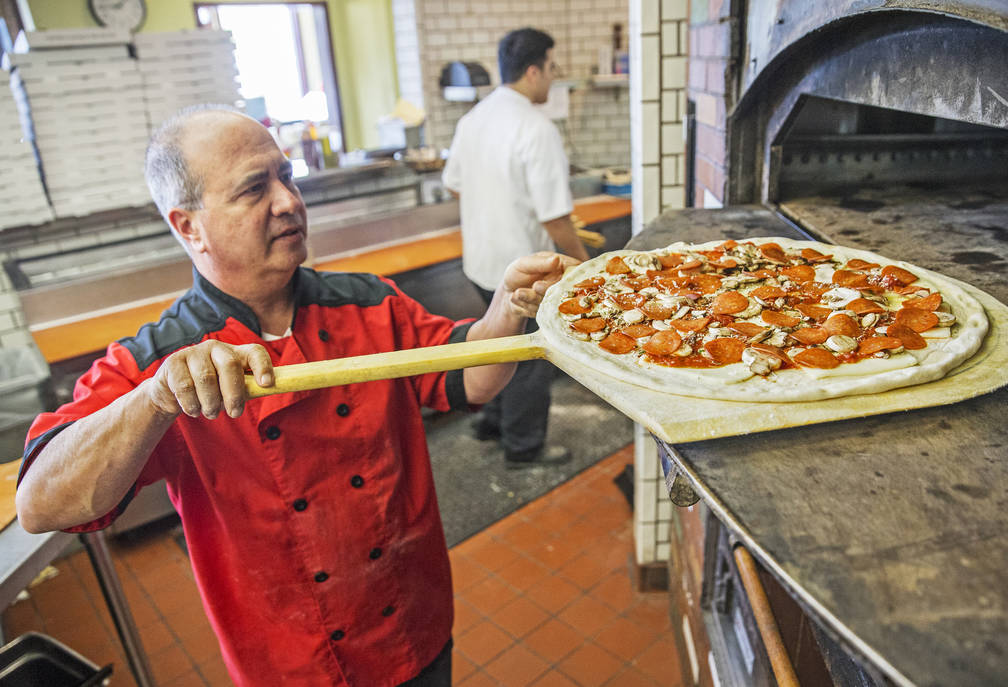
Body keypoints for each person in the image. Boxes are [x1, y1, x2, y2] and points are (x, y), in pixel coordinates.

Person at [14, 105, 576, 687]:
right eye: (255, 189)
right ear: (189, 227)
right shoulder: (160, 362)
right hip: (291, 663)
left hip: (415, 626)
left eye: (287, 177)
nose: (287, 201)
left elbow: (468, 376)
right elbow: (41, 504)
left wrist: (505, 311)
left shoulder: (368, 303)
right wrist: (154, 401)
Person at [443, 27, 590, 469]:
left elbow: (453, 186)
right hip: (522, 273)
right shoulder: (535, 127)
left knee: (490, 339)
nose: (552, 78)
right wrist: (587, 265)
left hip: (478, 262)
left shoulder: (474, 118)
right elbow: (554, 218)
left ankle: (489, 422)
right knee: (528, 360)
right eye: (551, 68)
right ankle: (524, 447)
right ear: (533, 70)